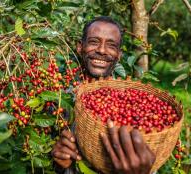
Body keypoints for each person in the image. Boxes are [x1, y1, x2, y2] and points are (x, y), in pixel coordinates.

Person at [51, 16, 156, 174]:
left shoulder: (132, 102)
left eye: (111, 45)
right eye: (94, 42)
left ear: (119, 54)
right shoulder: (60, 100)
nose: (101, 50)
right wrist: (59, 164)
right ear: (80, 47)